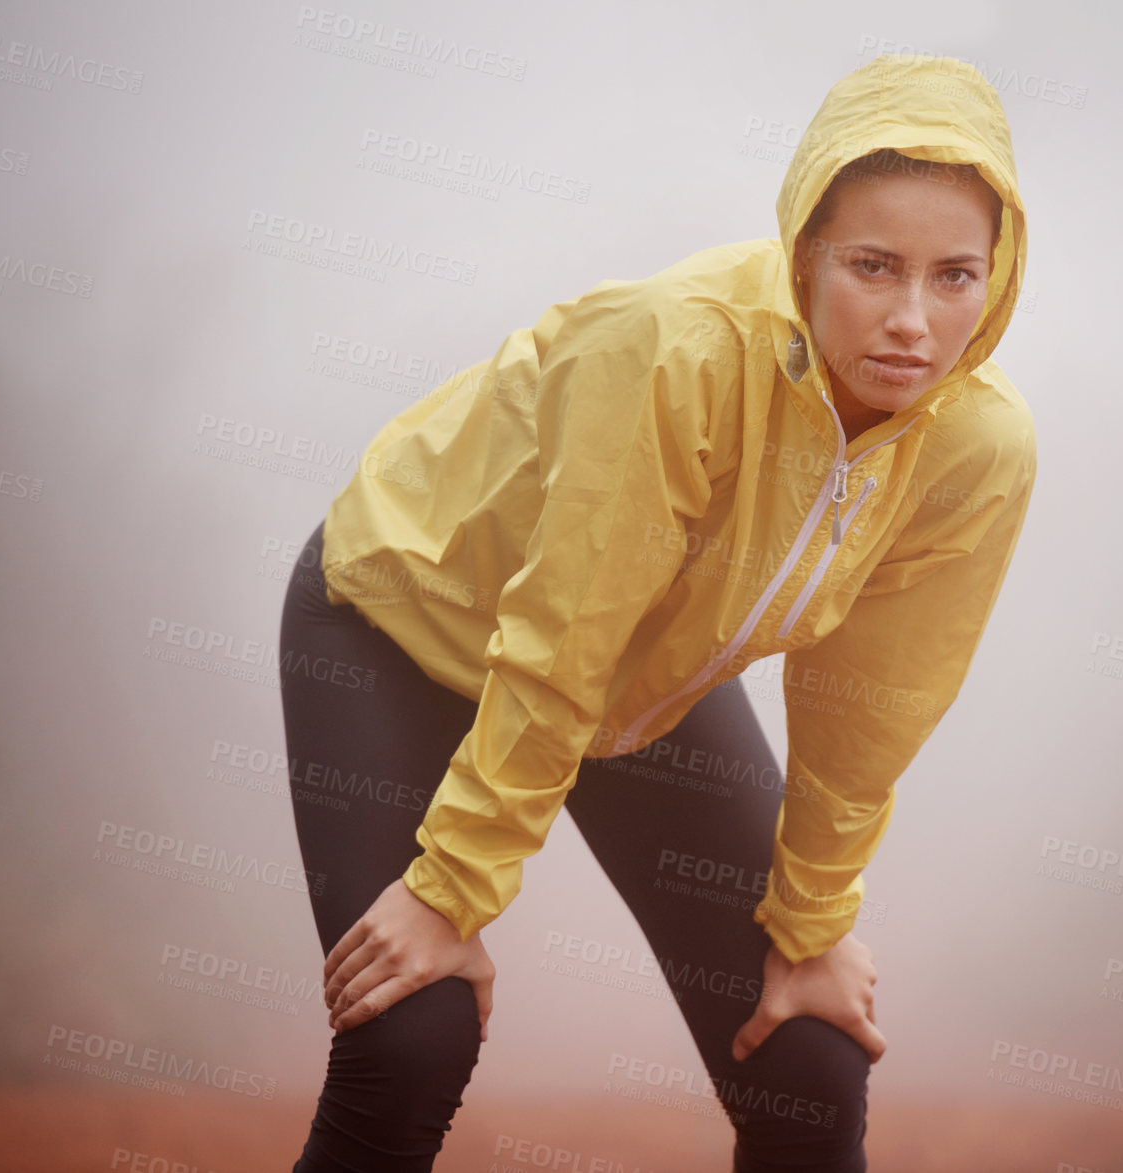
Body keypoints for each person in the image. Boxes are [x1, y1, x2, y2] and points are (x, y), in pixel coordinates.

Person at [278, 52, 1037, 1173]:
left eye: (956, 276)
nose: (916, 322)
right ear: (805, 254)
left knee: (810, 1055)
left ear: (998, 276)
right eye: (875, 267)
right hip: (402, 621)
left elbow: (870, 702)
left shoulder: (974, 444)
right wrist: (449, 895)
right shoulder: (676, 353)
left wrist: (812, 927)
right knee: (413, 1033)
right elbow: (561, 637)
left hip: (640, 673)